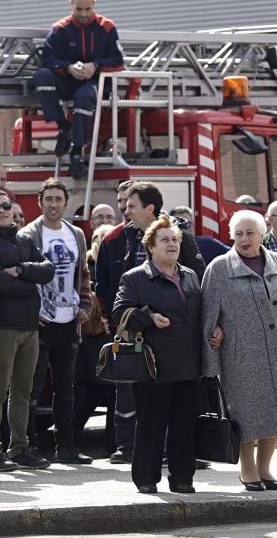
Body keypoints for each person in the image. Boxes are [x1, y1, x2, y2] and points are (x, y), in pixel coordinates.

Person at [96, 181, 205, 464]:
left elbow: (197, 286)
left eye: (131, 205)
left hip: (175, 341)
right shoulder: (119, 238)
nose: (125, 209)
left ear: (149, 208)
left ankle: (177, 456)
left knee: (174, 400)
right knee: (128, 389)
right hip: (134, 332)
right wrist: (123, 318)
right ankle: (127, 447)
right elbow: (108, 282)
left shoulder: (180, 238)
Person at [201, 211, 277, 491]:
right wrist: (211, 360)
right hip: (240, 356)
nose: (244, 239)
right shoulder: (220, 268)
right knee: (245, 415)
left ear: (262, 234)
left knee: (275, 410)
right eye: (238, 234)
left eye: (250, 233)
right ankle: (247, 469)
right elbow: (208, 318)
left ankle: (265, 469)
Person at [113, 215, 201, 494]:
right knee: (151, 425)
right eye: (165, 240)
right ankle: (146, 478)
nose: (172, 244)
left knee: (184, 426)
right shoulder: (136, 277)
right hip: (153, 365)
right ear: (150, 247)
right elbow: (118, 313)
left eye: (175, 239)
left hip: (188, 364)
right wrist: (148, 317)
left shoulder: (190, 275)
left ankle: (182, 478)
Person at [0, 189, 55, 471]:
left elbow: (48, 270)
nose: (2, 210)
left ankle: (19, 448)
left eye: (6, 205)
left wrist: (21, 270)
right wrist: (31, 282)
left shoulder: (24, 239)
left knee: (23, 390)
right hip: (0, 326)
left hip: (29, 327)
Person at [20, 178, 93, 463]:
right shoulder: (29, 235)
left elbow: (83, 272)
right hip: (40, 321)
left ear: (65, 203)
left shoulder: (75, 234)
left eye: (58, 199)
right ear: (40, 203)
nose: (53, 204)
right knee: (31, 386)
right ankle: (30, 446)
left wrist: (85, 303)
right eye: (48, 199)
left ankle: (67, 446)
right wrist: (30, 311)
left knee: (66, 387)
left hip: (69, 319)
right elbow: (25, 275)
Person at [34, 0, 124, 179]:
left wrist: (95, 66)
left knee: (83, 98)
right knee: (42, 76)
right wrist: (68, 68)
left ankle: (77, 150)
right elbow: (48, 60)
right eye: (79, 9)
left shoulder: (106, 27)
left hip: (95, 82)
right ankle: (63, 126)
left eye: (87, 9)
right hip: (68, 80)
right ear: (70, 5)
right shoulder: (60, 29)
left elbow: (118, 62)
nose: (83, 14)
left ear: (95, 5)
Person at [74, 224, 116, 455]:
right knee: (97, 393)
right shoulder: (91, 266)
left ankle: (111, 442)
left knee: (104, 394)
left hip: (103, 339)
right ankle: (72, 439)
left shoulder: (110, 265)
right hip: (93, 339)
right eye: (100, 237)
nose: (103, 242)